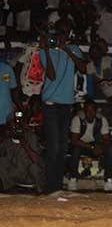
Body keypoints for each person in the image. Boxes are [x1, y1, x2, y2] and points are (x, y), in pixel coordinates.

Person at [40, 19, 86, 193]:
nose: (62, 36)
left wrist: (67, 50)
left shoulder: (74, 50)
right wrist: (45, 48)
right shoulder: (47, 51)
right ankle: (50, 186)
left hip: (66, 104)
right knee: (54, 146)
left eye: (66, 33)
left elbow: (83, 68)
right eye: (60, 32)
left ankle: (57, 185)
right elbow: (51, 75)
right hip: (50, 103)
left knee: (63, 147)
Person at [67, 100, 112, 191]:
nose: (90, 113)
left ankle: (108, 181)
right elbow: (74, 140)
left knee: (108, 150)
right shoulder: (77, 119)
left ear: (96, 111)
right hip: (81, 145)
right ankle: (73, 179)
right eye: (87, 110)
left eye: (92, 110)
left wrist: (101, 148)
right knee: (76, 150)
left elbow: (106, 139)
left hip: (95, 144)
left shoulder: (101, 120)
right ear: (84, 111)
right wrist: (92, 147)